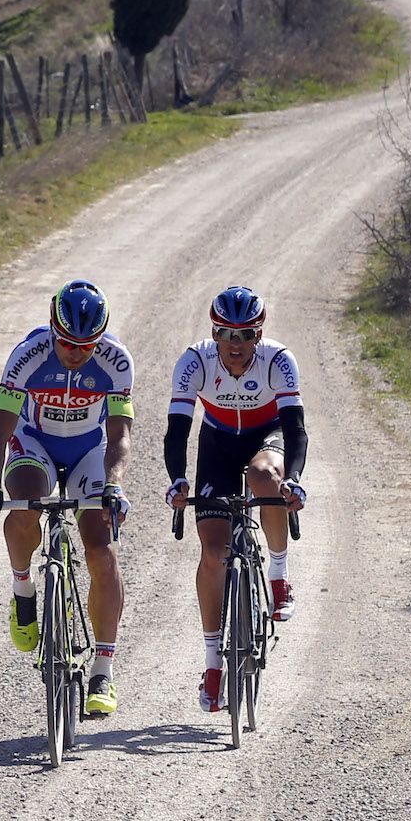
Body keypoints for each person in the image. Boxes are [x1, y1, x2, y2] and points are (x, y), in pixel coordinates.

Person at [0, 281, 136, 719]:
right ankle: (23, 589)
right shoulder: (27, 355)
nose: (77, 352)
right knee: (24, 501)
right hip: (34, 443)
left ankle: (103, 669)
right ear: (51, 327)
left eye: (87, 345)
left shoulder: (117, 361)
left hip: (88, 450)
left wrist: (114, 484)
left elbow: (120, 436)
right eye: (67, 343)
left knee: (102, 553)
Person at [162, 287, 307, 715]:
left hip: (268, 435)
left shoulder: (278, 361)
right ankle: (212, 666)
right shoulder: (195, 362)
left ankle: (278, 578)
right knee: (213, 553)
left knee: (265, 477)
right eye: (226, 334)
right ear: (214, 333)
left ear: (259, 334)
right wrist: (177, 479)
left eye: (245, 334)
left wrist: (294, 479)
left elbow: (296, 429)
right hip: (218, 444)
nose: (236, 344)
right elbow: (177, 431)